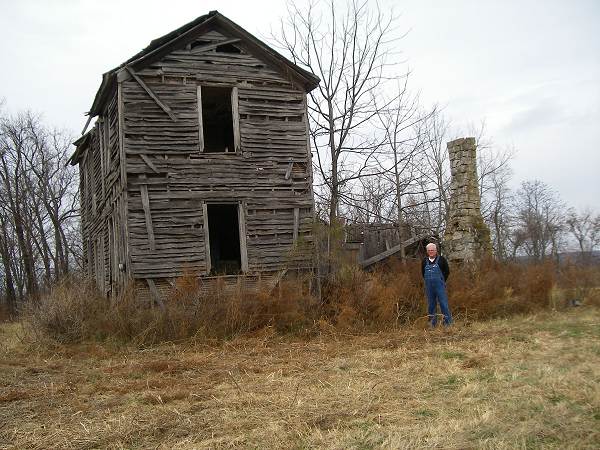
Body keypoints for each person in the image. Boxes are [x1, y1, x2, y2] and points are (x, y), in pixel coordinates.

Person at [421, 242, 452, 327]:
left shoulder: (441, 259)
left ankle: (447, 323)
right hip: (429, 286)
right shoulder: (424, 261)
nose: (431, 252)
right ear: (427, 251)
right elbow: (423, 273)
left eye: (432, 250)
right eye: (429, 250)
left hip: (440, 286)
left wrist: (442, 280)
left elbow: (447, 271)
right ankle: (432, 323)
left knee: (443, 303)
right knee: (431, 304)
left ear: (436, 250)